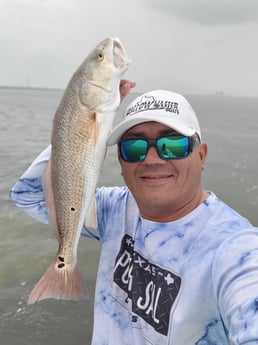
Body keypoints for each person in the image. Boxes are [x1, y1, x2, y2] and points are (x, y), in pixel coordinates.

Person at [10, 82, 258, 345]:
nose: (151, 159)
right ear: (121, 162)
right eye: (134, 148)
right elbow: (28, 194)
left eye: (172, 144)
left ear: (202, 155)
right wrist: (81, 124)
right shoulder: (115, 208)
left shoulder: (237, 252)